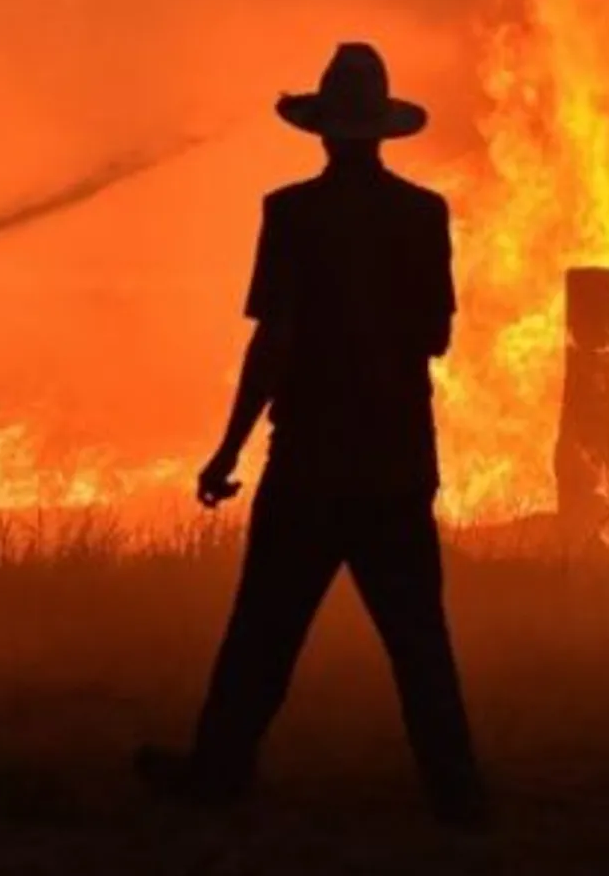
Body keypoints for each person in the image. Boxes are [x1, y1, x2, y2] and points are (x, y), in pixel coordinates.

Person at [137, 42, 487, 828]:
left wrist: (229, 448)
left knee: (263, 628)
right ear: (380, 134)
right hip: (397, 460)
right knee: (419, 640)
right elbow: (436, 335)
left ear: (325, 133)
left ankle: (217, 772)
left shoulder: (291, 213)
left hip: (310, 462)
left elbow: (274, 341)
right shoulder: (423, 215)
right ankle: (457, 793)